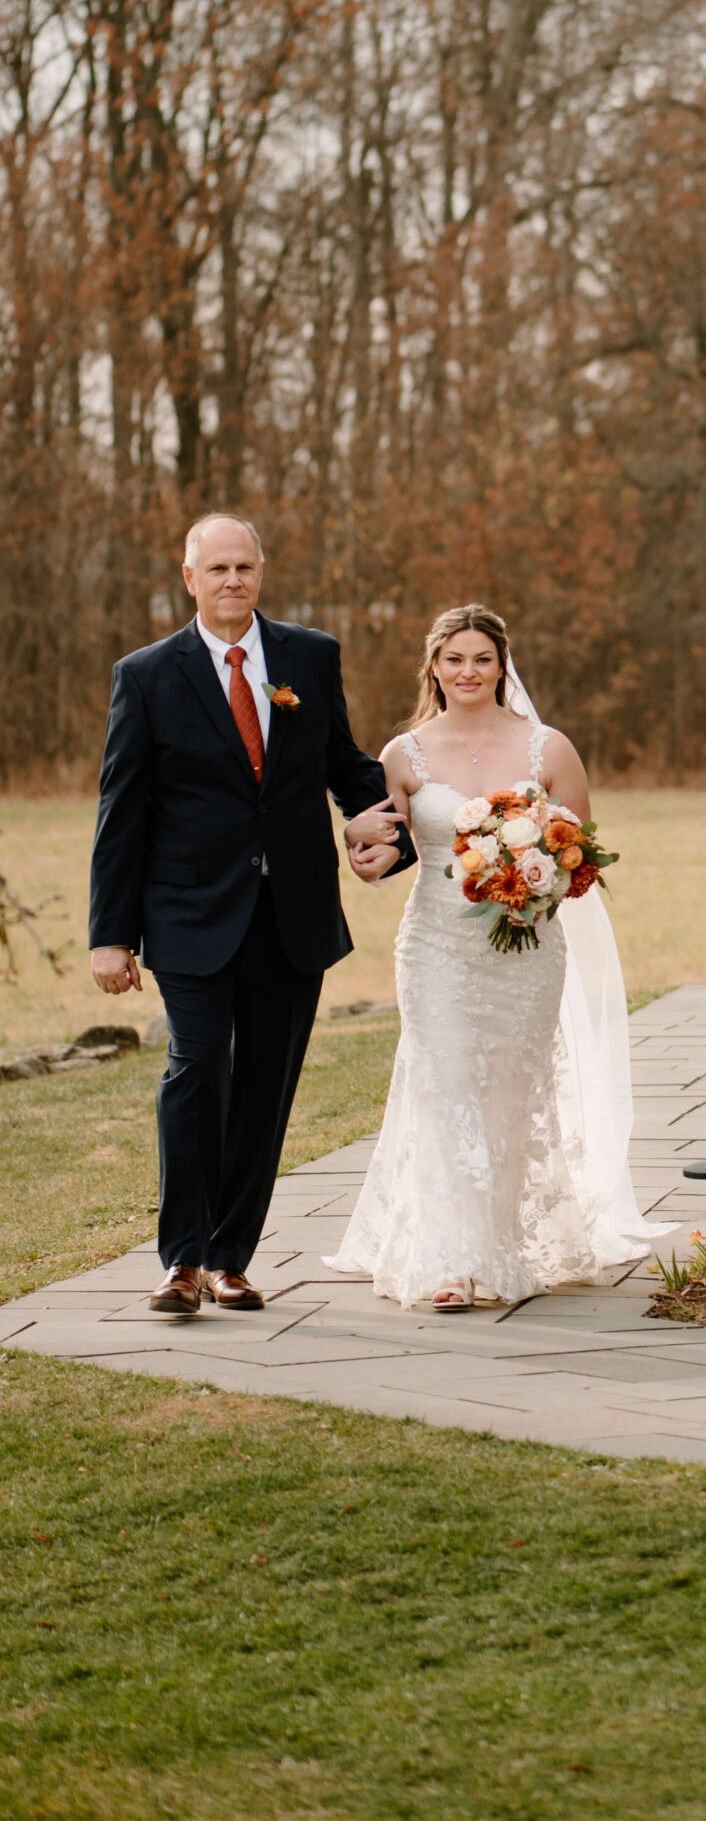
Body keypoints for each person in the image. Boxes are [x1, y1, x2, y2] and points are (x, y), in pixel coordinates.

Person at [88, 514, 413, 1318]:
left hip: (290, 913)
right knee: (196, 1071)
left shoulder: (309, 655)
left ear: (260, 572)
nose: (233, 580)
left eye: (245, 567)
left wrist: (395, 835)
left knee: (266, 1088)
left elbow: (341, 762)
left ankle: (232, 1260)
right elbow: (121, 812)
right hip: (188, 914)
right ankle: (181, 1261)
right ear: (189, 577)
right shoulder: (147, 675)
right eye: (218, 568)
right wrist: (109, 934)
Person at [327, 603, 665, 1310]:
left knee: (510, 1095)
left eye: (481, 659)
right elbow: (381, 845)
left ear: (502, 665)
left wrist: (535, 875)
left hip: (526, 950)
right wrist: (362, 857)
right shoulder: (404, 753)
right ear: (434, 668)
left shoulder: (548, 749)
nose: (468, 672)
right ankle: (450, 1262)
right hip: (436, 948)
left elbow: (581, 856)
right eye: (454, 659)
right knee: (446, 1086)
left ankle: (500, 1243)